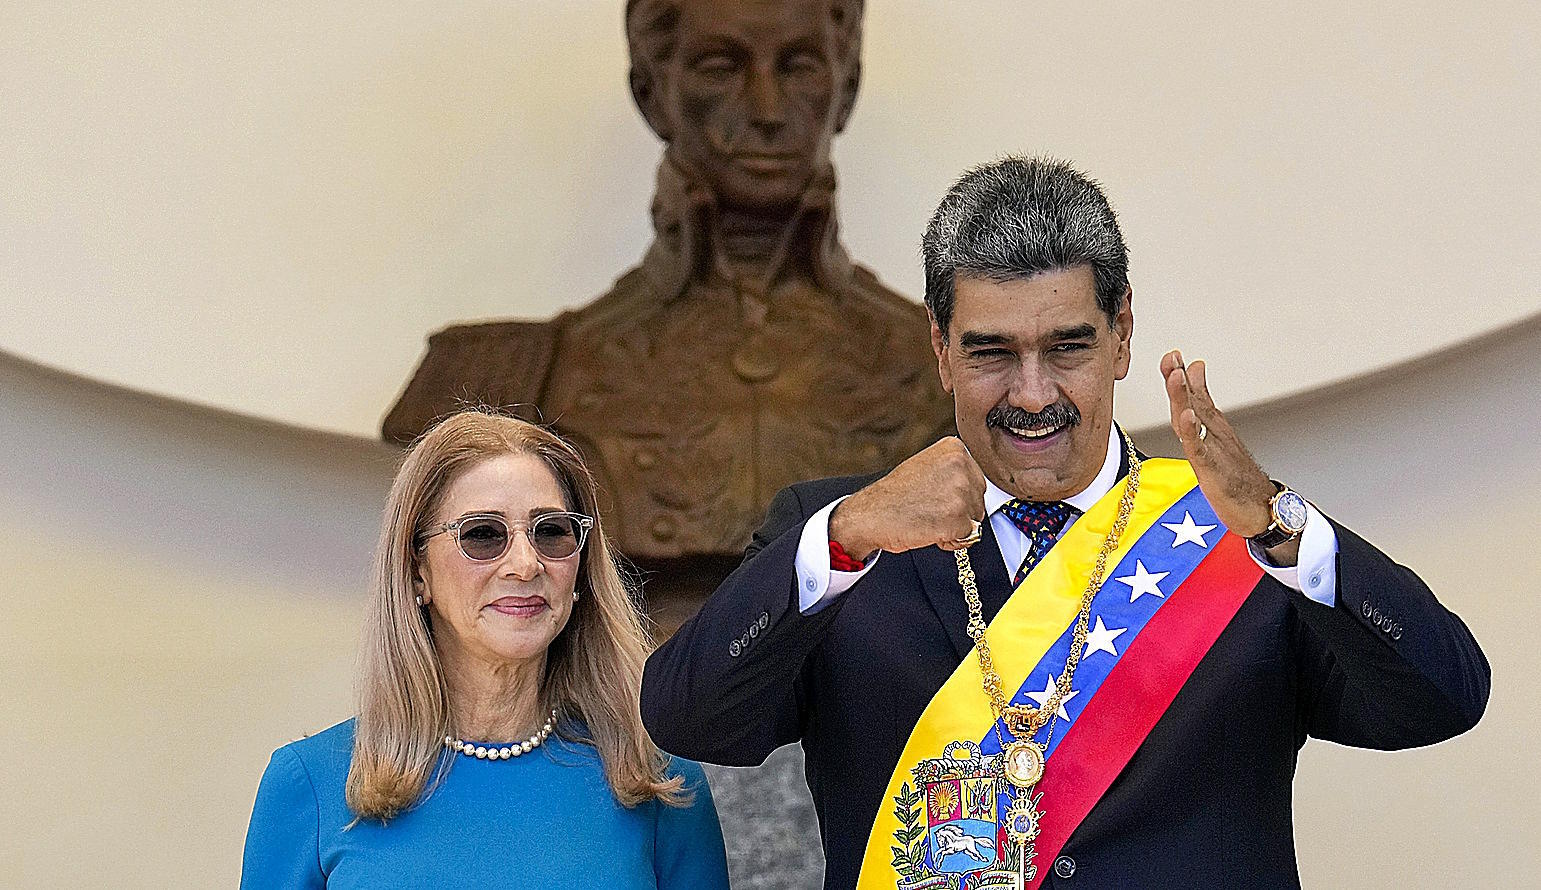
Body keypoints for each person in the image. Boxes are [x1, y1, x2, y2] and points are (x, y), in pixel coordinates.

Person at [640, 157, 1489, 889]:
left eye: (1068, 348)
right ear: (938, 346)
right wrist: (846, 535)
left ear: (1121, 335)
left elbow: (1442, 700)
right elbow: (690, 720)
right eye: (991, 352)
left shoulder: (1239, 537)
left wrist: (1279, 530)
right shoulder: (848, 539)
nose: (1034, 394)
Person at [382, 0, 953, 573]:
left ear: (846, 88)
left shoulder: (945, 366)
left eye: (799, 66)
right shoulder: (510, 378)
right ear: (651, 93)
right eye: (720, 67)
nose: (767, 109)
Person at [241, 411, 729, 888]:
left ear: (581, 570)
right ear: (417, 570)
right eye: (482, 534)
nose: (524, 563)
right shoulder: (309, 784)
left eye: (552, 532)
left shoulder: (660, 782)